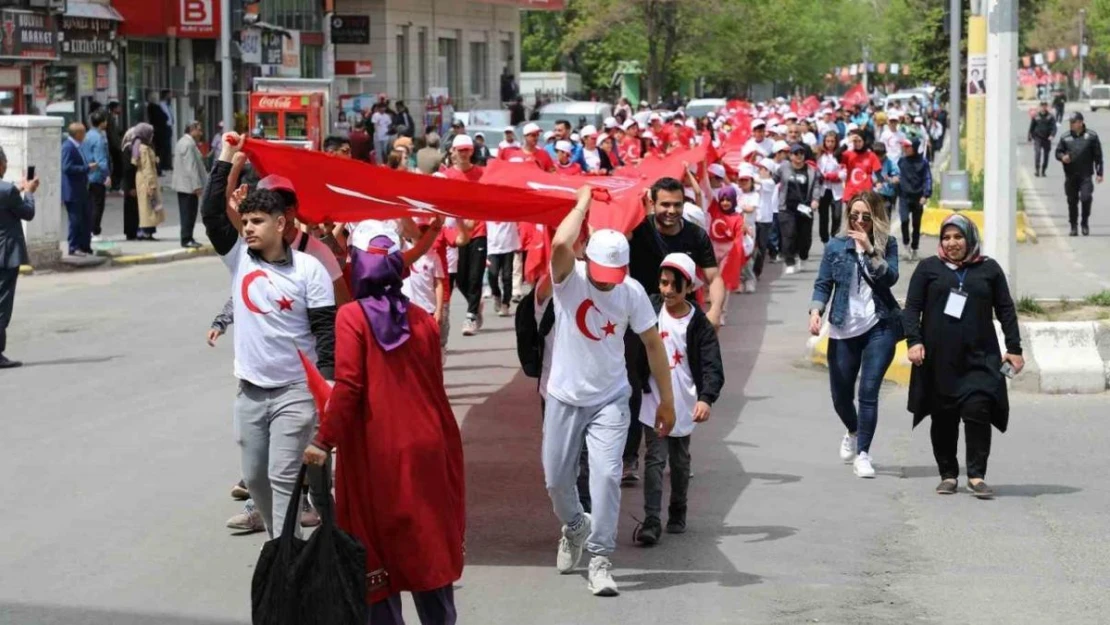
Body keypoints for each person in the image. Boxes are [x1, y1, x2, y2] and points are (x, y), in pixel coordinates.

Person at [302, 224, 463, 624]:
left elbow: (350, 387)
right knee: (428, 551)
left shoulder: (351, 318)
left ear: (357, 264)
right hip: (428, 447)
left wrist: (323, 441)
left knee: (374, 554)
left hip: (376, 453)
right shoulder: (422, 318)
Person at [202, 132, 336, 539]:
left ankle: (285, 550)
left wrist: (328, 385)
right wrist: (227, 156)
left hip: (296, 392)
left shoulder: (310, 269)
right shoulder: (240, 258)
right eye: (245, 222)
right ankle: (289, 540)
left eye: (257, 222)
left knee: (281, 476)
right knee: (255, 477)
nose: (248, 230)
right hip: (251, 391)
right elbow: (211, 212)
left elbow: (326, 332)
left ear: (282, 223)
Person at [543, 186, 676, 597]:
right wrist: (583, 201)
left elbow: (654, 344)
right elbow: (562, 241)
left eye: (613, 277)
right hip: (565, 396)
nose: (606, 284)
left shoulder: (631, 291)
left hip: (611, 398)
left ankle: (600, 559)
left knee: (606, 477)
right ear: (589, 261)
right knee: (556, 481)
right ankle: (576, 526)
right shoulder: (569, 278)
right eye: (602, 275)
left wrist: (666, 400)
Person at [903, 215, 1023, 499]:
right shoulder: (928, 268)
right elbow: (912, 309)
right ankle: (948, 474)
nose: (952, 242)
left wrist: (1014, 348)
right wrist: (914, 341)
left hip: (980, 359)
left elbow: (1006, 310)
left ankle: (977, 475)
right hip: (939, 360)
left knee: (978, 411)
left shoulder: (989, 269)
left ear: (969, 238)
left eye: (958, 237)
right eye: (946, 237)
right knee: (943, 418)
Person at [808, 191, 901, 479]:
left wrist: (871, 249)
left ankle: (864, 454)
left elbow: (891, 278)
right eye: (854, 215)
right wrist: (816, 310)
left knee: (869, 392)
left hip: (880, 325)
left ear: (875, 219)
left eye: (866, 216)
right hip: (842, 326)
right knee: (840, 397)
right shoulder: (836, 246)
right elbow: (823, 283)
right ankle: (852, 429)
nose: (859, 221)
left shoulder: (888, 245)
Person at [632, 253, 723, 545]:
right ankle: (651, 521)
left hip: (684, 400)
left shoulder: (699, 324)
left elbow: (712, 366)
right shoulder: (649, 308)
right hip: (654, 397)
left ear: (687, 288)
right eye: (663, 283)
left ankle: (678, 509)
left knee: (679, 462)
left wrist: (706, 399)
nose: (667, 290)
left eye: (674, 285)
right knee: (654, 459)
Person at [442, 135, 488, 336]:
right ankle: (475, 304)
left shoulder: (482, 174)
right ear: (453, 151)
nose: (464, 153)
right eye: (460, 150)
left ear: (472, 151)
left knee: (475, 275)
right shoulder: (447, 175)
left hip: (478, 230)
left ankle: (470, 316)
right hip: (457, 232)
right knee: (460, 277)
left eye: (467, 150)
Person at [0, 148, 37, 369]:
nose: (5, 166)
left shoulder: (7, 190)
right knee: (2, 305)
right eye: (4, 162)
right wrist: (29, 192)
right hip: (6, 254)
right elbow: (28, 213)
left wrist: (19, 188)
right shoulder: (7, 191)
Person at [775, 143, 822, 274]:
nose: (799, 156)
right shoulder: (784, 168)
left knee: (805, 237)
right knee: (788, 235)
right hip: (786, 208)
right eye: (796, 153)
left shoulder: (811, 171)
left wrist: (815, 200)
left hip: (805, 208)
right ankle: (789, 262)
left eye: (801, 153)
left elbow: (817, 187)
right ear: (790, 156)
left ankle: (803, 257)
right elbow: (773, 179)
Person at [1054, 112, 1103, 236]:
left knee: (1086, 198)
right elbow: (1058, 152)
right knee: (1072, 201)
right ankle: (1073, 226)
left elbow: (1098, 156)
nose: (1071, 125)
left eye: (1073, 122)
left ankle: (1084, 222)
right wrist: (1062, 157)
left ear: (1080, 123)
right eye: (1070, 122)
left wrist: (1099, 173)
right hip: (1070, 175)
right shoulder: (1065, 137)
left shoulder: (1091, 136)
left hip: (1086, 175)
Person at [124, 123, 164, 240]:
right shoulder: (144, 148)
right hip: (146, 179)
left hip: (140, 178)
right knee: (148, 207)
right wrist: (151, 184)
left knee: (146, 206)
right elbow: (147, 168)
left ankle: (146, 231)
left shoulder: (138, 145)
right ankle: (146, 232)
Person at [171, 121, 207, 249]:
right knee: (188, 213)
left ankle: (188, 237)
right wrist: (196, 185)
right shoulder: (188, 144)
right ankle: (187, 239)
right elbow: (190, 167)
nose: (201, 133)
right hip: (188, 187)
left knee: (189, 213)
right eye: (199, 130)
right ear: (192, 130)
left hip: (186, 186)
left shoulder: (185, 142)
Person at [897, 137, 932, 261]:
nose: (905, 149)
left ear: (915, 148)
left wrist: (925, 195)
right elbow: (895, 174)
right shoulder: (901, 161)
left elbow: (927, 178)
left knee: (916, 224)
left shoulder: (923, 162)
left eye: (908, 147)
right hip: (904, 197)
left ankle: (915, 247)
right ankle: (906, 244)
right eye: (904, 147)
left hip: (918, 198)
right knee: (904, 221)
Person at [61, 122, 94, 257]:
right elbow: (66, 167)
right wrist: (86, 168)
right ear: (78, 134)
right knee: (75, 220)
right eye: (83, 132)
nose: (85, 135)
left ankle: (84, 246)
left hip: (81, 190)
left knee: (85, 218)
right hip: (72, 191)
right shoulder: (68, 147)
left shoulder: (77, 146)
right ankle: (73, 247)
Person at [82, 110, 111, 241]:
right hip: (97, 176)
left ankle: (87, 230)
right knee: (98, 205)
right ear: (102, 122)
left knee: (89, 205)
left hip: (86, 175)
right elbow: (101, 160)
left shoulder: (86, 136)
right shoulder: (99, 138)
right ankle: (95, 231)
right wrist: (107, 176)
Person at [816, 131, 846, 243]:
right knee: (823, 217)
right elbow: (816, 170)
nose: (830, 144)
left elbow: (844, 172)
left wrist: (834, 176)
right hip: (823, 189)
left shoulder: (840, 155)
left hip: (837, 190)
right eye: (828, 141)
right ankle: (825, 240)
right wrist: (823, 176)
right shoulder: (820, 155)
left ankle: (834, 238)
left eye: (832, 141)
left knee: (837, 216)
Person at [486, 217, 519, 317]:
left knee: (507, 277)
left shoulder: (509, 210)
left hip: (508, 247)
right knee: (492, 275)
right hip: (492, 248)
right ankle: (496, 294)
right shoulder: (487, 211)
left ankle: (505, 304)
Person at [1028, 101, 1057, 177]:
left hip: (1047, 138)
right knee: (1038, 153)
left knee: (1046, 155)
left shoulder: (1050, 117)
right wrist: (1029, 136)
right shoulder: (1036, 116)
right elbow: (1032, 127)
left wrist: (1052, 135)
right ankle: (1037, 170)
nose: (1043, 108)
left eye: (1045, 106)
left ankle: (1043, 170)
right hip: (1038, 137)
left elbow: (1054, 128)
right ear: (1040, 107)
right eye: (1042, 106)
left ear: (1046, 107)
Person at [106, 101, 124, 192]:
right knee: (118, 165)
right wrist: (118, 146)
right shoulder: (110, 118)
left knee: (118, 165)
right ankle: (115, 184)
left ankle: (116, 184)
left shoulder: (114, 118)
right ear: (114, 109)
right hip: (114, 147)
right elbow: (112, 135)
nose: (120, 109)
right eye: (118, 107)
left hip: (116, 145)